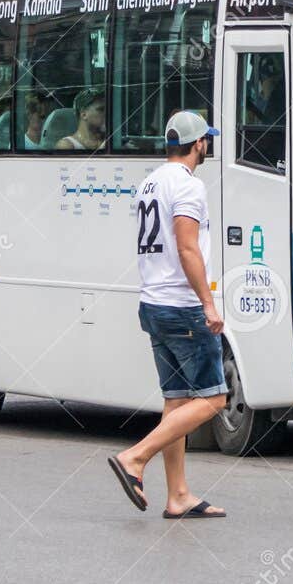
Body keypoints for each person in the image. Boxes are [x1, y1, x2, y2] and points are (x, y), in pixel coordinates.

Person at [109, 110, 229, 520]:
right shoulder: (188, 186)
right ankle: (135, 457)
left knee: (176, 399)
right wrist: (208, 302)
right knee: (214, 398)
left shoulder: (150, 181)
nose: (207, 145)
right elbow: (187, 247)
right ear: (198, 144)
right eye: (206, 140)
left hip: (153, 303)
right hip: (182, 306)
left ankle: (177, 494)